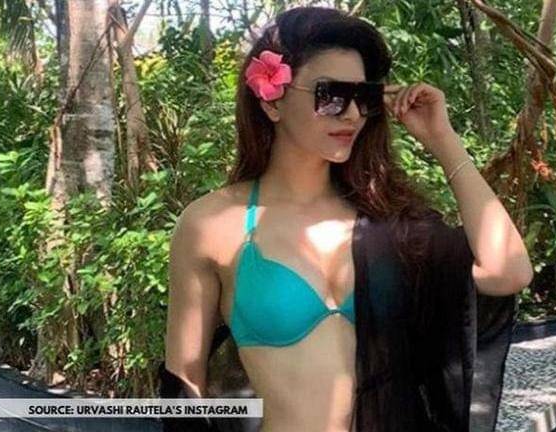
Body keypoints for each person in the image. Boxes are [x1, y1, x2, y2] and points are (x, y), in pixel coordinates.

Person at [161, 6, 532, 432]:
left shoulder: (386, 222)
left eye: (364, 97)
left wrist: (442, 140)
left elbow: (508, 272)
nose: (353, 114)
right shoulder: (212, 224)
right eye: (331, 95)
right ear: (272, 101)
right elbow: (184, 387)